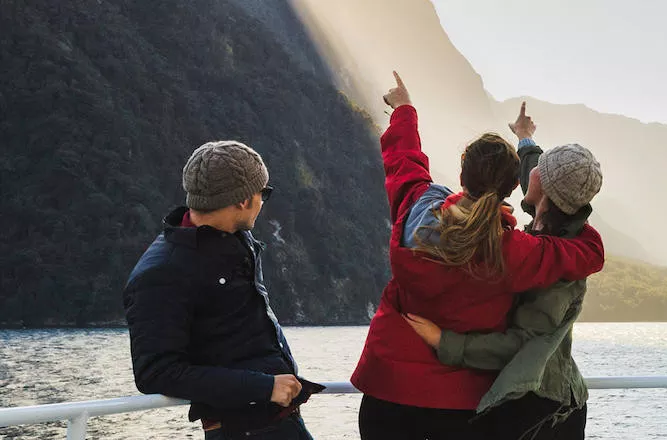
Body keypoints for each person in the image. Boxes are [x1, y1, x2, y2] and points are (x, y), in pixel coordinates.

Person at [351, 73, 606, 440]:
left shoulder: (417, 207)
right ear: (513, 186)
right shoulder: (515, 251)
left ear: (461, 171)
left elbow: (404, 162)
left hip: (386, 396)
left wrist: (404, 111)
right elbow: (585, 251)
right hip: (458, 407)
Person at [123, 141, 320, 440]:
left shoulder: (240, 239)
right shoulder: (161, 272)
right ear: (242, 200)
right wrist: (264, 387)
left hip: (281, 421)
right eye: (263, 193)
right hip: (241, 430)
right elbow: (156, 372)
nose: (264, 202)